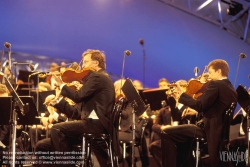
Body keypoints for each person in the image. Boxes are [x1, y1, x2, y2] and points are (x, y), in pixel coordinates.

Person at [48, 49, 118, 166]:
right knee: (45, 144)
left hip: (95, 124)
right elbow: (76, 111)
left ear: (95, 63)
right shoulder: (98, 78)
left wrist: (62, 85)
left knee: (56, 129)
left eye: (85, 62)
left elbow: (78, 96)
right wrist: (59, 100)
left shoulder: (97, 77)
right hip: (94, 123)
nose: (82, 66)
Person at [161, 59, 237, 167]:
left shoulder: (215, 85)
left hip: (207, 130)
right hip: (219, 132)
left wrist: (182, 94)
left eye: (210, 72)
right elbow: (215, 109)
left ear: (219, 71)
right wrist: (196, 112)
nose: (209, 76)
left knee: (166, 132)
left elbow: (200, 105)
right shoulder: (231, 89)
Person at [114, 79, 149, 167]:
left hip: (131, 132)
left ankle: (120, 157)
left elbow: (125, 115)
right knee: (110, 135)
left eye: (115, 89)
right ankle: (126, 157)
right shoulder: (123, 102)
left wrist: (115, 106)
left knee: (112, 136)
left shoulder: (131, 102)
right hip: (123, 131)